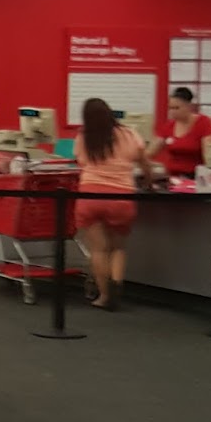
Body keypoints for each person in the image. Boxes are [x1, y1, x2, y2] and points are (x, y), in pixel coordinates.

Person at [73, 97, 152, 311]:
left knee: (99, 250)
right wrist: (149, 181)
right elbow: (145, 163)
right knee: (118, 247)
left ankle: (104, 296)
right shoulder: (129, 134)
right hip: (121, 197)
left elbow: (81, 161)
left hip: (90, 196)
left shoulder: (83, 136)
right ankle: (116, 283)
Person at [150, 87, 211, 181]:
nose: (172, 112)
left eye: (176, 108)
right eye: (170, 108)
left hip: (195, 177)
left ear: (189, 107)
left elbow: (208, 156)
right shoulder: (168, 126)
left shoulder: (204, 122)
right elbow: (151, 151)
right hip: (172, 177)